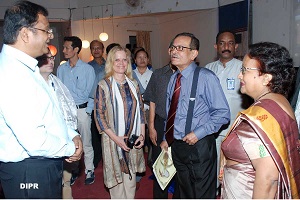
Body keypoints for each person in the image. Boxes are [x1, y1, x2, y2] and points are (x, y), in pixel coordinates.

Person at [0, 1, 82, 198]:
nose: (50, 35)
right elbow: (34, 140)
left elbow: (48, 113)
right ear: (25, 34)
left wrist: (70, 133)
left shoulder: (28, 67)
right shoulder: (13, 74)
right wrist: (70, 147)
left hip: (41, 163)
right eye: (45, 30)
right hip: (29, 170)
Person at [220, 42, 300, 198]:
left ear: (266, 78)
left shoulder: (262, 117)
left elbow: (269, 179)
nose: (239, 75)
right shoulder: (280, 102)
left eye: (244, 70)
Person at [160, 32, 230, 198]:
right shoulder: (173, 78)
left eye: (180, 48)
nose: (174, 52)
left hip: (199, 146)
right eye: (172, 48)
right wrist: (165, 136)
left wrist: (198, 133)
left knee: (201, 193)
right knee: (183, 192)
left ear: (194, 53)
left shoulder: (206, 77)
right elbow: (171, 110)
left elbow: (223, 113)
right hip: (176, 145)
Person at [94, 46, 146, 199]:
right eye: (117, 59)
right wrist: (117, 139)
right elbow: (99, 116)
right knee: (117, 181)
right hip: (112, 140)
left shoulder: (134, 84)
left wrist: (142, 136)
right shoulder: (103, 85)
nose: (121, 63)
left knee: (130, 179)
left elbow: (141, 112)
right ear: (111, 62)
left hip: (133, 138)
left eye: (124, 59)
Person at [205, 30, 251, 193]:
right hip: (215, 130)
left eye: (230, 43)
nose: (226, 47)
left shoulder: (243, 69)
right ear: (216, 46)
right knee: (215, 164)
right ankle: (215, 191)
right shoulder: (208, 69)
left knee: (236, 169)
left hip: (237, 129)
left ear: (236, 46)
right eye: (222, 43)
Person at [37, 50, 78, 199]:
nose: (51, 61)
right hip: (43, 146)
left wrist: (73, 135)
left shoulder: (56, 81)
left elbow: (69, 109)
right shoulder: (30, 84)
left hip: (64, 137)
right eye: (45, 58)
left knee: (65, 181)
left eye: (52, 58)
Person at [57, 36, 96, 185]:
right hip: (67, 113)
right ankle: (73, 171)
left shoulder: (87, 69)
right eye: (64, 47)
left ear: (76, 50)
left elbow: (91, 93)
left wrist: (88, 112)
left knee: (86, 142)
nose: (64, 50)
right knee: (70, 143)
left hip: (82, 110)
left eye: (67, 48)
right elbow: (60, 92)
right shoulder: (61, 69)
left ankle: (89, 170)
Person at [143, 62, 178, 199]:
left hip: (181, 127)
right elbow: (152, 101)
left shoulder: (190, 74)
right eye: (174, 48)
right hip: (161, 124)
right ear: (170, 51)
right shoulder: (158, 74)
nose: (176, 52)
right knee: (160, 167)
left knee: (179, 167)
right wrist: (151, 127)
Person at [132, 48, 153, 189]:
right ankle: (137, 174)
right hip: (135, 113)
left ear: (148, 60)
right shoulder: (130, 75)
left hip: (150, 111)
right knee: (137, 141)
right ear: (135, 60)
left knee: (152, 141)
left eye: (144, 57)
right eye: (139, 57)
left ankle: (152, 165)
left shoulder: (154, 75)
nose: (142, 59)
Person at [88, 40, 106, 168]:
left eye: (98, 48)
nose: (96, 50)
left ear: (103, 50)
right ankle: (97, 158)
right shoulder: (87, 67)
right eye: (93, 48)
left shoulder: (110, 65)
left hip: (108, 104)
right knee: (95, 134)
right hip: (94, 104)